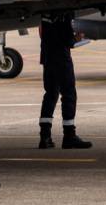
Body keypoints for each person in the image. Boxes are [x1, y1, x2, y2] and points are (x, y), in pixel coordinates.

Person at [38, 11, 92, 149]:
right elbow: (67, 40)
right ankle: (69, 135)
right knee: (69, 95)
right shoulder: (64, 11)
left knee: (50, 94)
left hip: (47, 56)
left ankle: (45, 136)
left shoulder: (45, 13)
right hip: (61, 58)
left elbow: (43, 33)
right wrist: (77, 38)